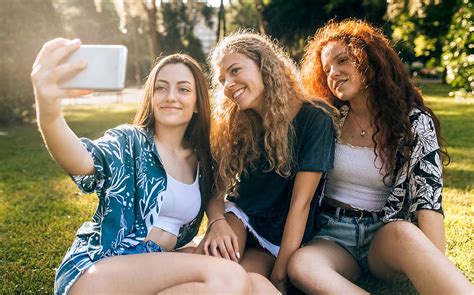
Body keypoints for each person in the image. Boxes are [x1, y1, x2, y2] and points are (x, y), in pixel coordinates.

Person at [31, 38, 270, 295]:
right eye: (161, 88)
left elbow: (216, 193)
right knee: (229, 277)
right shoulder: (129, 141)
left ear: (199, 103)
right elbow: (82, 160)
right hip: (101, 269)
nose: (171, 97)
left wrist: (217, 220)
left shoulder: (203, 160)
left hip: (153, 268)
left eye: (183, 89)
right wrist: (50, 113)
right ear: (151, 96)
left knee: (257, 284)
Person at [287, 19, 474, 294]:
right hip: (332, 236)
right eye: (327, 69)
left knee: (404, 233)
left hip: (383, 236)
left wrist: (433, 266)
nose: (333, 73)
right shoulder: (329, 121)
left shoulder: (413, 123)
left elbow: (428, 197)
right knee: (302, 265)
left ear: (370, 61)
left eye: (342, 61)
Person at [195, 32, 336, 293]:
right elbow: (217, 186)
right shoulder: (235, 121)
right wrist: (217, 222)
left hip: (284, 235)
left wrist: (282, 273)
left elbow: (301, 204)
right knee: (214, 271)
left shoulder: (316, 119)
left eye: (235, 70)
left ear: (264, 65)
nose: (228, 85)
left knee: (242, 281)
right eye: (222, 79)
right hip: (241, 217)